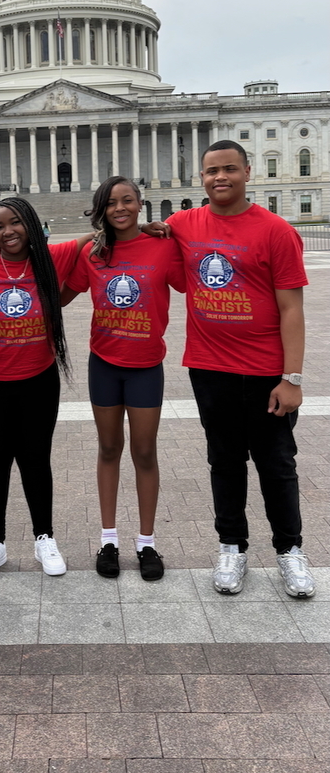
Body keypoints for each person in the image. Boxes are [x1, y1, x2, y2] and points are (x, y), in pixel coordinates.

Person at [164, 140, 316, 598]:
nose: (220, 178)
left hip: (267, 372)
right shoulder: (182, 224)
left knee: (277, 465)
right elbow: (140, 245)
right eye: (211, 171)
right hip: (210, 369)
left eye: (229, 169)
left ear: (248, 172)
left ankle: (290, 551)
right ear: (202, 178)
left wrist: (292, 379)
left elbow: (292, 310)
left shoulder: (276, 231)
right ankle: (231, 545)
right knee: (224, 462)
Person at [0, 197, 92, 579]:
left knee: (36, 461)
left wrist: (150, 228)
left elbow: (93, 238)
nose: (7, 232)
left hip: (38, 380)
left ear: (30, 223)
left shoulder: (50, 259)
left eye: (14, 222)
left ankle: (44, 537)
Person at [62, 177, 186, 580]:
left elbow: (195, 277)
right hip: (105, 363)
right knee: (110, 448)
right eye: (111, 202)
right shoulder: (92, 253)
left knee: (145, 452)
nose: (120, 208)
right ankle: (109, 540)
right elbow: (61, 294)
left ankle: (147, 543)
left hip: (146, 365)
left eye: (128, 200)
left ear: (140, 203)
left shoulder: (163, 246)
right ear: (101, 209)